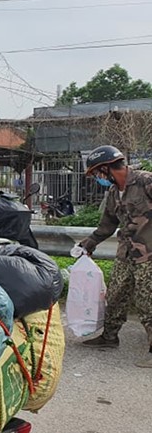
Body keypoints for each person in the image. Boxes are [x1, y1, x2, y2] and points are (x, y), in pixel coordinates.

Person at [79, 145, 152, 368]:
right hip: (126, 253)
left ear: (107, 168)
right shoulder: (113, 193)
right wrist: (88, 244)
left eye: (98, 173)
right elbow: (107, 225)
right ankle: (109, 337)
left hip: (149, 254)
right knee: (117, 293)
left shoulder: (146, 182)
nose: (98, 178)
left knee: (147, 300)